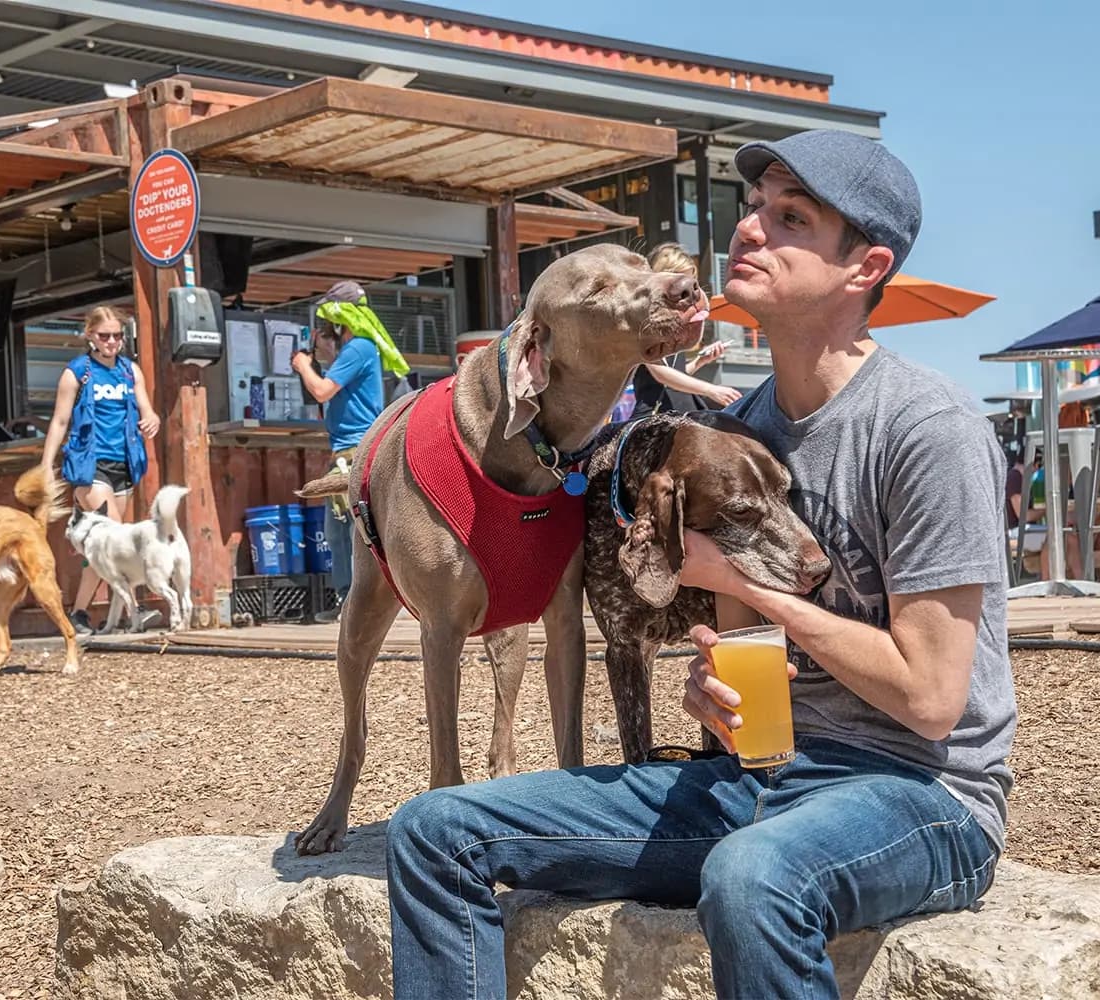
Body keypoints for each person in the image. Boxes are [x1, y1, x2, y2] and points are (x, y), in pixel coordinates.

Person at [385, 130, 1014, 1000]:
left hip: (920, 798)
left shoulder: (925, 429)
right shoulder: (740, 429)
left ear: (863, 268)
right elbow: (747, 658)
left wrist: (746, 586)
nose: (750, 230)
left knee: (756, 878)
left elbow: (932, 697)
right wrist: (713, 690)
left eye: (790, 218)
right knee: (433, 829)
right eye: (755, 207)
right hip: (759, 777)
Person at [39, 306, 159, 636]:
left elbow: (148, 409)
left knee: (102, 548)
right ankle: (137, 610)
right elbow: (60, 421)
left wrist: (152, 419)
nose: (111, 342)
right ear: (90, 336)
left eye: (117, 336)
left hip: (124, 463)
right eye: (104, 336)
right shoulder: (77, 372)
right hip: (90, 466)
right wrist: (46, 465)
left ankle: (78, 613)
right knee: (118, 537)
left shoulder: (129, 371)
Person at [291, 281, 405, 624]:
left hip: (357, 449)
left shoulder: (358, 349)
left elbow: (322, 391)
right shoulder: (358, 351)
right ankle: (350, 600)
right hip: (350, 448)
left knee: (347, 525)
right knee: (343, 526)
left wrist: (303, 365)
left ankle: (356, 601)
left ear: (341, 322)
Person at [631, 243, 742, 416]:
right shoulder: (644, 321)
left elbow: (676, 375)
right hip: (655, 414)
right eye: (681, 279)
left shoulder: (678, 319)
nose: (687, 288)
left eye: (690, 280)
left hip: (681, 409)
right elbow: (660, 374)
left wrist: (700, 362)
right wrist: (710, 389)